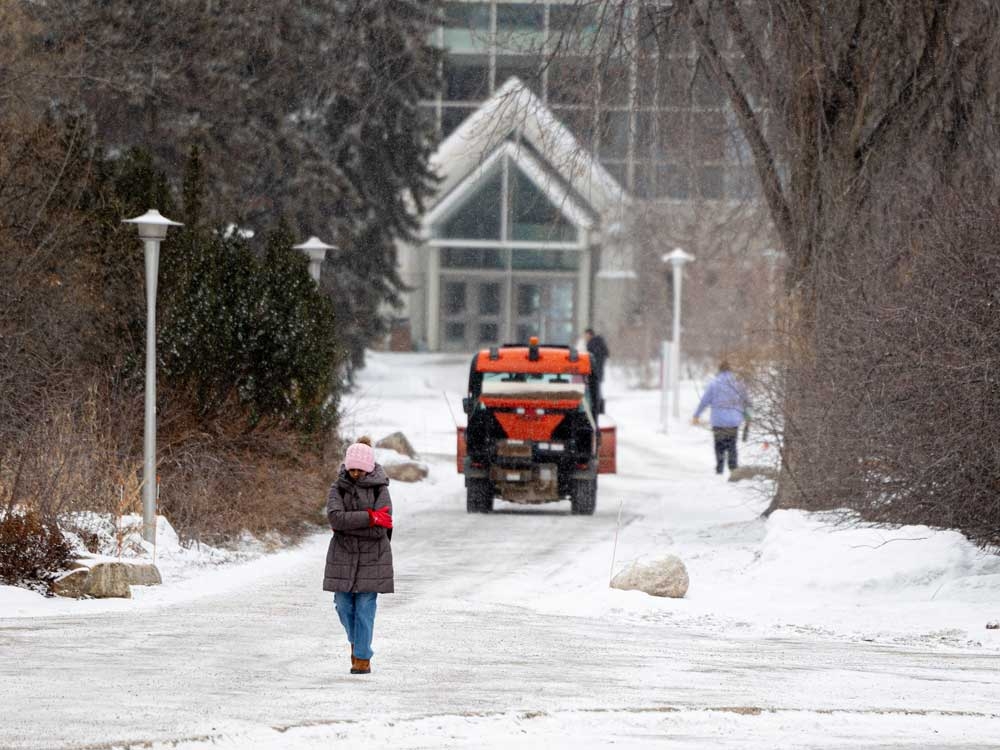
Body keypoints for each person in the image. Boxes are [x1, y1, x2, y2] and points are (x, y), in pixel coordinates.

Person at [323, 436, 394, 675]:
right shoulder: (337, 488)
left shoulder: (380, 488)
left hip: (373, 556)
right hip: (343, 554)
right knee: (343, 604)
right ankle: (358, 642)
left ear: (368, 468)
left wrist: (354, 522)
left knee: (364, 606)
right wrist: (369, 516)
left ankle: (362, 657)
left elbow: (381, 527)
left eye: (359, 469)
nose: (354, 473)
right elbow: (335, 518)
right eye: (351, 468)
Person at [692, 361, 750, 474]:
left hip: (718, 421)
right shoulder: (738, 383)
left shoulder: (714, 384)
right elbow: (746, 401)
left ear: (720, 370)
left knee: (719, 445)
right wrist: (748, 417)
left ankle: (719, 468)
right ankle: (733, 468)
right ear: (730, 370)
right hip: (734, 421)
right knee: (732, 444)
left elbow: (704, 401)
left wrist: (696, 415)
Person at [583, 328, 610, 413]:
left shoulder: (592, 344)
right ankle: (600, 409)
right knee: (598, 391)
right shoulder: (599, 343)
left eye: (585, 335)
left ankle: (598, 410)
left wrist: (593, 369)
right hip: (598, 371)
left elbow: (592, 358)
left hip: (594, 372)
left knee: (595, 391)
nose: (584, 337)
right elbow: (605, 354)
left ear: (589, 334)